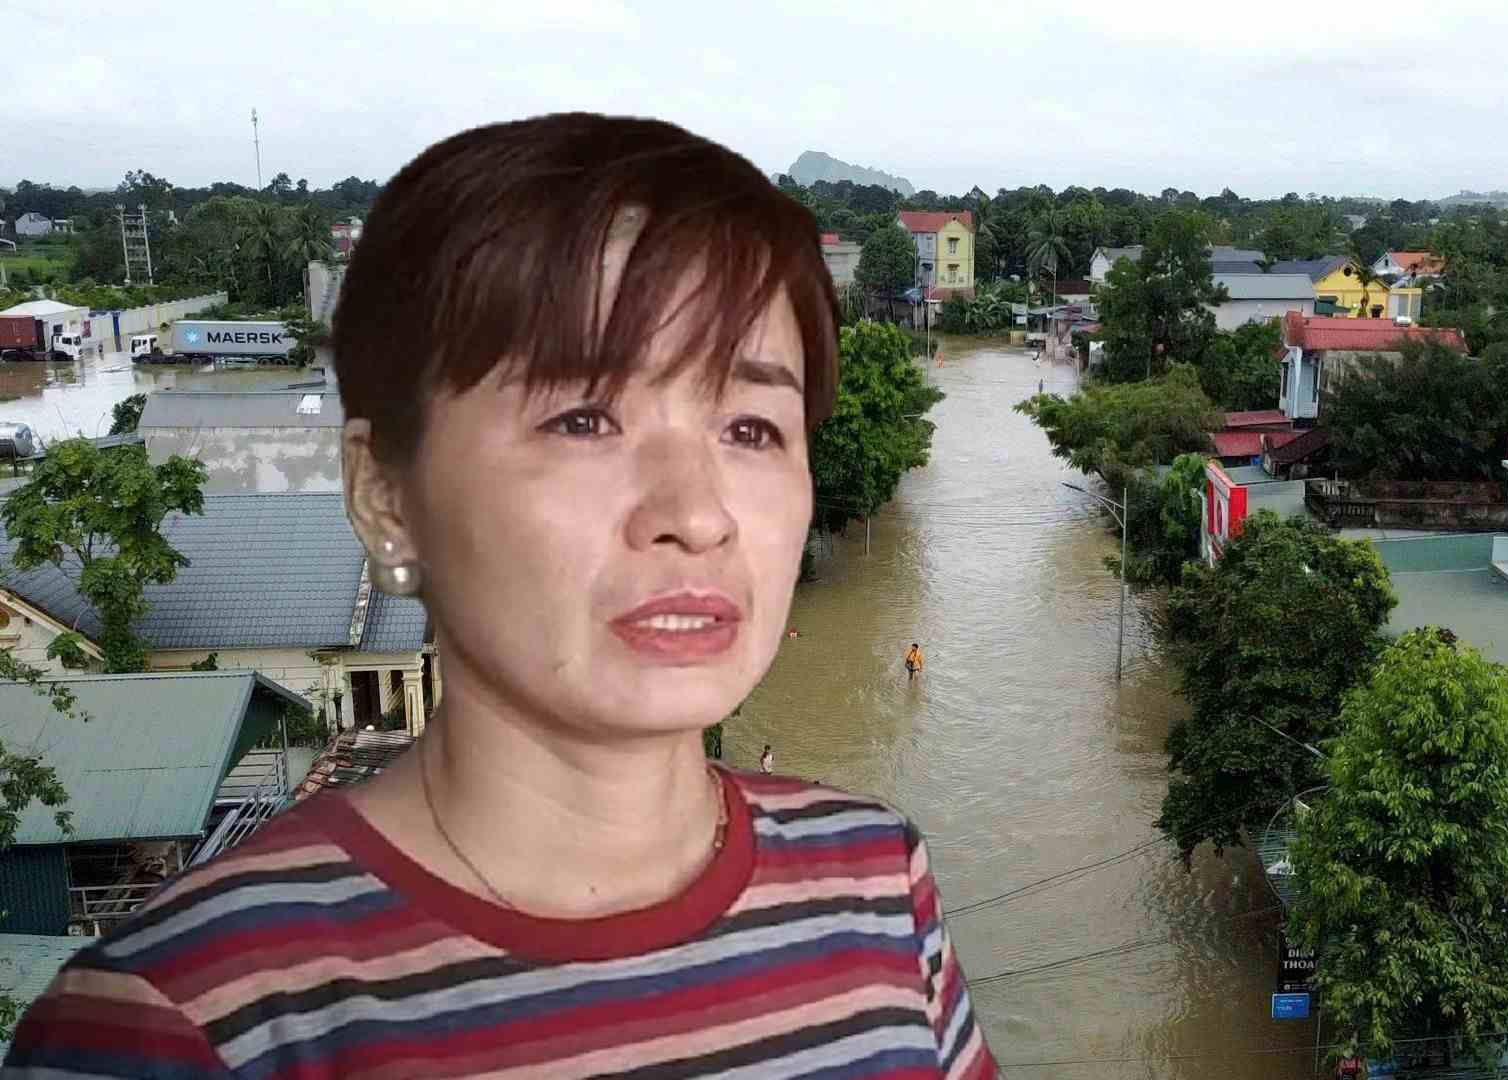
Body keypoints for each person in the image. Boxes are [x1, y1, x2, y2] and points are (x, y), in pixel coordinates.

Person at [5, 114, 994, 1079]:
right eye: (581, 418)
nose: (697, 514)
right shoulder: (180, 1022)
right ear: (386, 494)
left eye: (751, 429)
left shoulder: (875, 884)